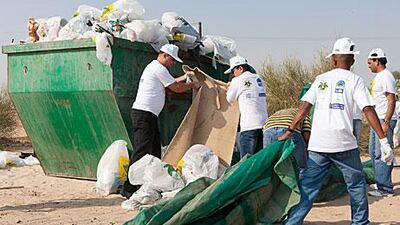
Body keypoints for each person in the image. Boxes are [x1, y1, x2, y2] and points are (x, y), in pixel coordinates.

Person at [279, 37, 393, 225]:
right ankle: (360, 222)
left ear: (333, 60)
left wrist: (290, 130)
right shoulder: (355, 80)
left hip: (318, 145)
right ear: (353, 60)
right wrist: (384, 141)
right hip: (344, 145)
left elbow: (304, 107)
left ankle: (292, 222)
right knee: (356, 187)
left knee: (308, 188)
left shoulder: (320, 79)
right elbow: (368, 110)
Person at [121, 44, 199, 198]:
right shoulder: (158, 68)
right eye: (172, 60)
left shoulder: (156, 68)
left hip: (149, 115)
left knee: (154, 151)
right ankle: (128, 188)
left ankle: (151, 183)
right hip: (144, 114)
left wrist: (184, 78)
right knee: (141, 150)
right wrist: (193, 85)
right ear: (164, 56)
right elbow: (175, 88)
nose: (173, 64)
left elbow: (171, 82)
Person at [367, 48, 397, 197]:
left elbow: (391, 99)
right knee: (373, 152)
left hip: (383, 119)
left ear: (377, 60)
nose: (368, 65)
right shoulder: (379, 77)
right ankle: (380, 182)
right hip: (376, 119)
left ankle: (385, 188)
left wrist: (386, 121)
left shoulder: (386, 77)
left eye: (370, 62)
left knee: (382, 153)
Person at [225, 56, 268, 158]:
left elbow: (229, 99)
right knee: (258, 161)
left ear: (240, 68)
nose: (232, 74)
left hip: (249, 126)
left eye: (233, 71)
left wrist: (230, 87)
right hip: (263, 125)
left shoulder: (237, 80)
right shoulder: (259, 79)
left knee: (246, 162)